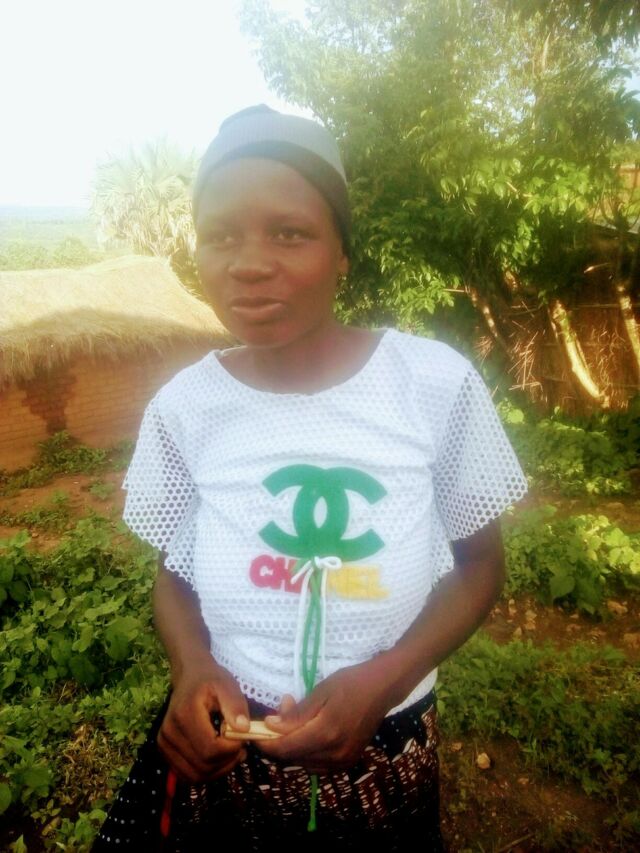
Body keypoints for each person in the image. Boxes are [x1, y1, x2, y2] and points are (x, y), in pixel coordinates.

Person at [93, 105, 527, 852]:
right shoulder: (185, 408)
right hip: (231, 749)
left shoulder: (432, 385)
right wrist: (192, 666)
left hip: (385, 738)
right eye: (220, 235)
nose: (248, 262)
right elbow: (176, 573)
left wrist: (384, 681)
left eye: (289, 232)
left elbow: (479, 568)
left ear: (342, 251)